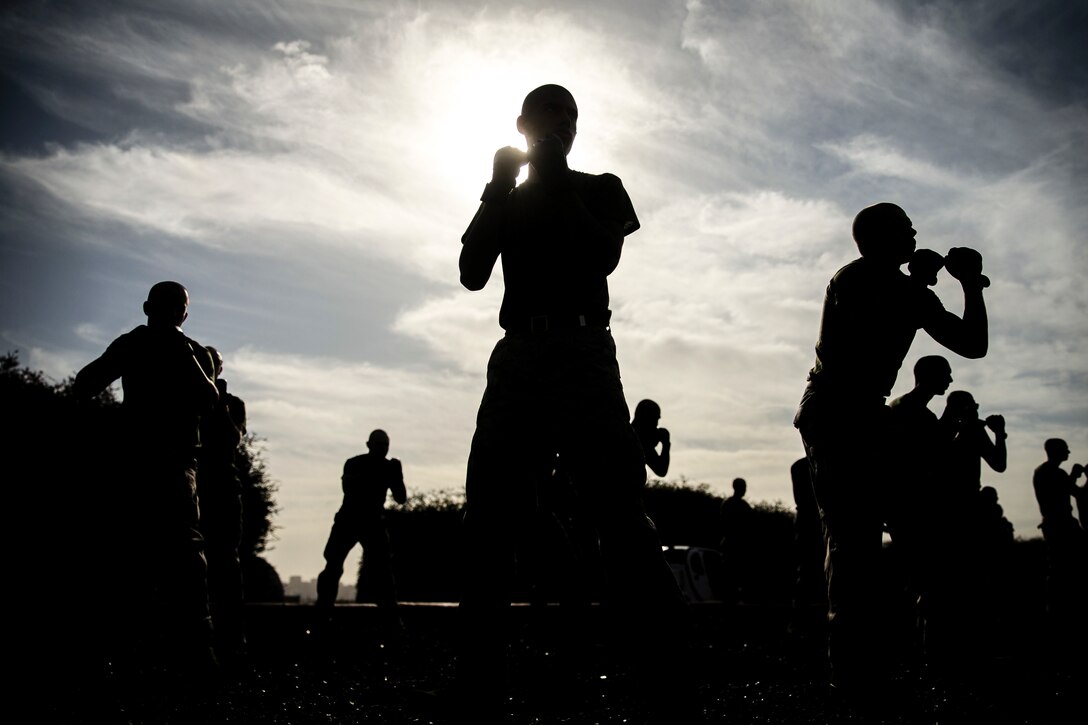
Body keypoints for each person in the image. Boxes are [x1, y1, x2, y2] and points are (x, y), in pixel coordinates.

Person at [456, 83, 689, 712]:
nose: (565, 120)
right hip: (518, 357)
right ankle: (481, 678)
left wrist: (555, 176)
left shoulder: (600, 186)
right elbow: (472, 271)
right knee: (491, 512)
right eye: (552, 111)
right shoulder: (507, 196)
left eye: (573, 114)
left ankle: (664, 668)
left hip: (583, 351)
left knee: (617, 506)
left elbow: (602, 254)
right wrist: (495, 187)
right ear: (524, 123)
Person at [792, 202, 989, 701]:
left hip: (863, 415)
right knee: (852, 541)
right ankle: (854, 677)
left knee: (903, 533)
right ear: (877, 238)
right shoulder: (856, 279)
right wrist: (931, 285)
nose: (916, 231)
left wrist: (965, 285)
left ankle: (916, 656)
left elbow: (972, 344)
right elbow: (881, 321)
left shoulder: (903, 289)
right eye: (905, 227)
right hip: (838, 412)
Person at [73, 280, 221, 678]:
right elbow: (209, 401)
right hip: (160, 463)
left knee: (145, 554)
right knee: (172, 555)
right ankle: (185, 652)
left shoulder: (144, 346)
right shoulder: (179, 349)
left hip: (151, 464)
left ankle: (143, 649)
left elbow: (84, 385)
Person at [885, 355, 954, 669]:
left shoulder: (915, 412)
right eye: (947, 374)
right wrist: (950, 419)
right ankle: (915, 648)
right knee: (920, 578)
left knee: (921, 579)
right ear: (931, 375)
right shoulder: (906, 411)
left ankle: (917, 646)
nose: (950, 381)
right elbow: (926, 457)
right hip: (911, 508)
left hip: (914, 507)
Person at [315, 429, 407, 628]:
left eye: (385, 445)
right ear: (368, 444)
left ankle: (390, 618)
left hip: (372, 522)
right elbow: (348, 487)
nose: (383, 449)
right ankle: (322, 612)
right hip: (349, 519)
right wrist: (380, 473)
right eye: (379, 444)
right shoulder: (355, 463)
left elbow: (400, 498)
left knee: (383, 571)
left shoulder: (387, 467)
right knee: (333, 565)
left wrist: (397, 476)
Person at [197, 346, 249, 666]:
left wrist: (218, 403)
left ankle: (231, 634)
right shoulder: (188, 398)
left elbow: (233, 438)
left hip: (223, 485)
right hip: (198, 483)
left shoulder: (232, 404)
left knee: (226, 559)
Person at [1032, 438, 1088, 657]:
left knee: (1060, 571)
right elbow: (1072, 493)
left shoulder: (1043, 472)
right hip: (1062, 525)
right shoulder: (1054, 473)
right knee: (1067, 573)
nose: (1068, 452)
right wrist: (1076, 477)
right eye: (1065, 450)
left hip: (1055, 525)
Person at [718, 477, 755, 605]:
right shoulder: (742, 506)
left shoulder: (727, 504)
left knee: (732, 578)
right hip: (737, 546)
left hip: (731, 545)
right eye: (743, 487)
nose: (744, 490)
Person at [631, 398, 671, 477]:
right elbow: (661, 470)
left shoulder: (644, 442)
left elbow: (661, 470)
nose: (656, 424)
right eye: (654, 419)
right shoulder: (632, 439)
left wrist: (666, 445)